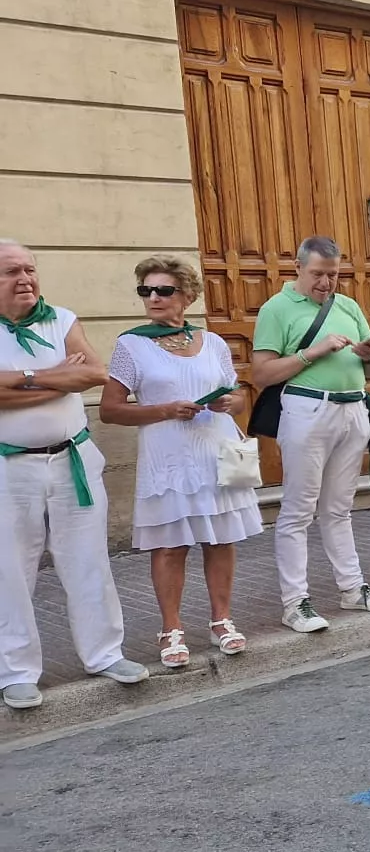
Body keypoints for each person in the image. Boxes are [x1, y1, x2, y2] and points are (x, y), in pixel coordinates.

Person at [0, 241, 149, 709]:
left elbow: (93, 375)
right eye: (11, 272)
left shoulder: (61, 319)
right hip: (10, 467)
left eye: (29, 269)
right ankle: (17, 671)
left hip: (73, 460)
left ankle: (105, 653)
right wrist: (49, 376)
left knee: (87, 561)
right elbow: (68, 379)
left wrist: (15, 380)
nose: (25, 278)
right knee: (10, 571)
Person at [101, 255, 264, 667]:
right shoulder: (131, 344)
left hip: (214, 451)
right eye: (146, 290)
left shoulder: (213, 342)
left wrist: (233, 400)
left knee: (220, 539)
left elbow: (237, 395)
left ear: (187, 296)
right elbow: (110, 410)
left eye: (163, 290)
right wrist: (165, 410)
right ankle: (170, 628)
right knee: (170, 545)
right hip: (169, 456)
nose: (153, 298)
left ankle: (221, 620)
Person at [249, 236, 370, 634]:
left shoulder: (348, 305)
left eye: (332, 275)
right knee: (299, 509)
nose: (326, 283)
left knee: (338, 508)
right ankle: (295, 602)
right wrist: (311, 353)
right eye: (318, 274)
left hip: (353, 408)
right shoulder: (276, 308)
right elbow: (261, 374)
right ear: (297, 268)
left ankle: (352, 589)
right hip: (306, 408)